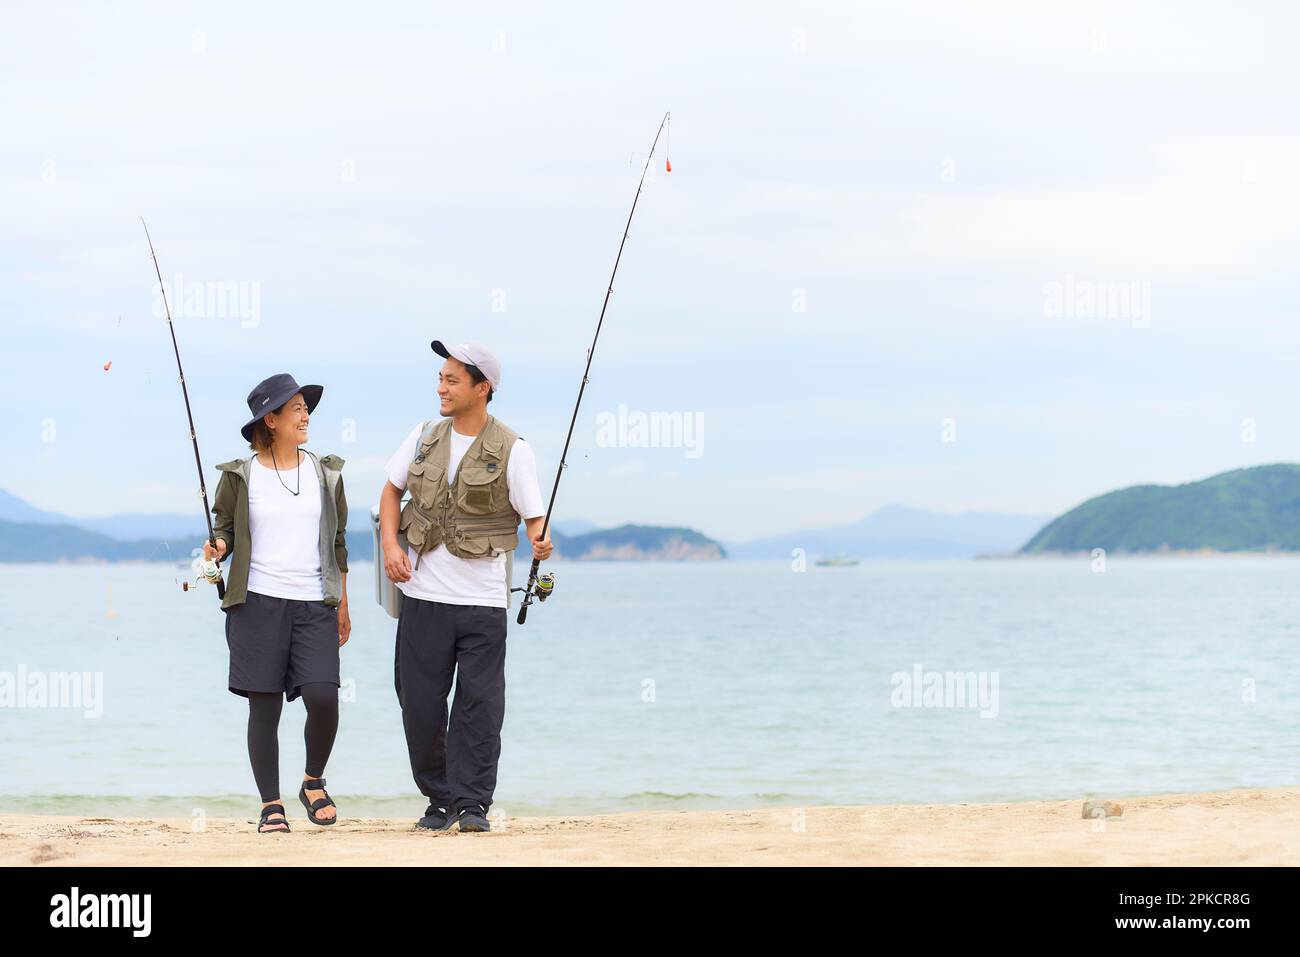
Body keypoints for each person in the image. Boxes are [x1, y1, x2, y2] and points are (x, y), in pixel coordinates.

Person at [379, 340, 551, 833]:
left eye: (452, 380)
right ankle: (440, 799)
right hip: (423, 599)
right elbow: (391, 492)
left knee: (479, 707)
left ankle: (473, 804)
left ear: (483, 388)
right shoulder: (423, 435)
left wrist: (541, 544)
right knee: (419, 704)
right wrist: (392, 546)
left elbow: (533, 520)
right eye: (441, 377)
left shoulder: (514, 450)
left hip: (481, 603)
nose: (441, 387)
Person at [204, 373, 351, 834]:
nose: (306, 415)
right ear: (271, 420)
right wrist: (218, 548)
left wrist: (343, 604)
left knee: (324, 696)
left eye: (307, 408)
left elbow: (339, 542)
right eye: (297, 409)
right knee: (264, 709)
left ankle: (312, 781)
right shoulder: (238, 476)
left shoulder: (325, 473)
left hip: (314, 603)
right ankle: (271, 805)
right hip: (257, 604)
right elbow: (224, 527)